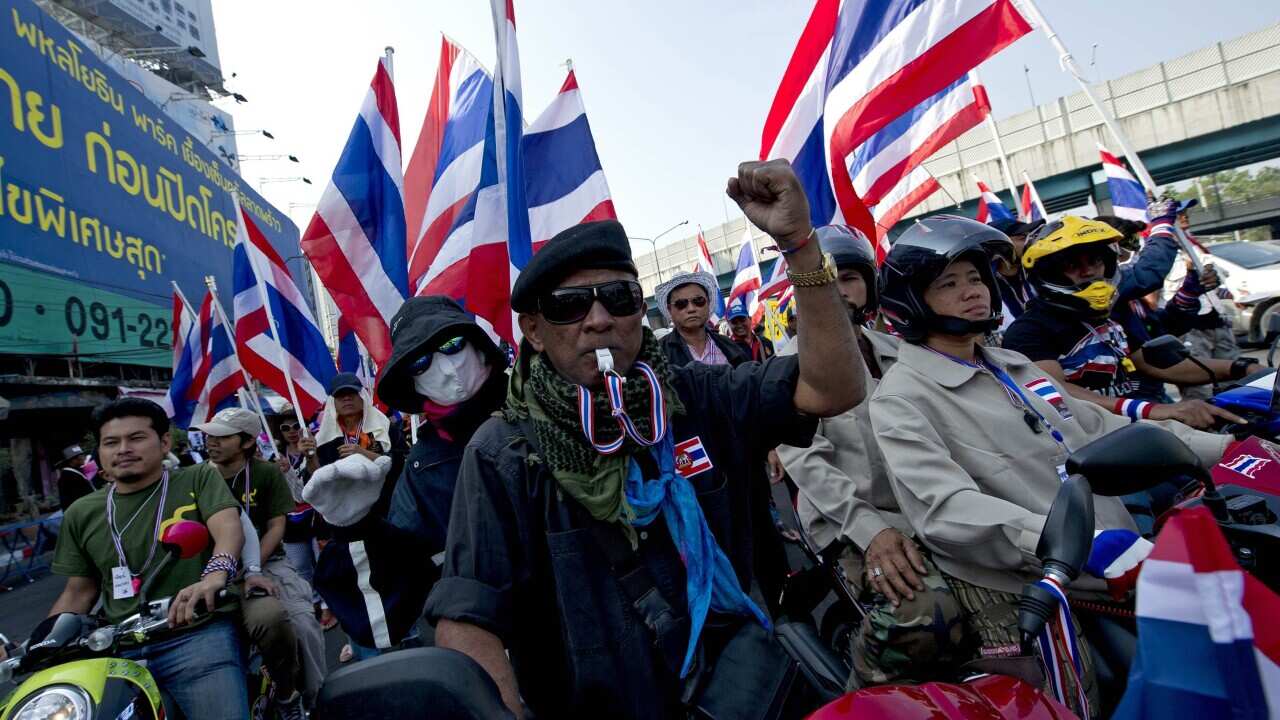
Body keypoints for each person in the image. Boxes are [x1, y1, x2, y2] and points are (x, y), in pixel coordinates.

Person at [427, 160, 864, 719]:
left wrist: (800, 245)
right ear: (533, 331)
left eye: (619, 297)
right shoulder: (504, 451)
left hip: (742, 694)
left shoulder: (698, 395)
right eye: (569, 305)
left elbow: (835, 386)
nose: (599, 319)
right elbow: (468, 617)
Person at [871, 215, 1233, 717]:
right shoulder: (901, 397)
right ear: (912, 302)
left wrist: (1226, 450)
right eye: (948, 284)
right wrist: (1063, 539)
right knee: (1069, 702)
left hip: (1117, 559)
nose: (971, 291)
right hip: (1026, 583)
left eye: (976, 278)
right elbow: (945, 508)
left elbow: (1105, 429)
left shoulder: (1013, 366)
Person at [775, 226, 964, 688]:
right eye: (826, 279)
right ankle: (861, 691)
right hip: (853, 527)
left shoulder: (901, 352)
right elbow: (808, 464)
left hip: (931, 512)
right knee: (924, 616)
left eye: (850, 279)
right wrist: (872, 531)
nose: (838, 291)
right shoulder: (788, 364)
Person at [306, 296, 510, 660]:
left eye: (451, 344)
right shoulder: (420, 467)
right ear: (411, 383)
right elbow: (391, 611)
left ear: (479, 345)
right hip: (500, 645)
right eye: (421, 361)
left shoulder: (549, 408)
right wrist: (354, 529)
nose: (446, 368)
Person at [48, 398, 248, 720]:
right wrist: (42, 640)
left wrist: (214, 576)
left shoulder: (197, 478)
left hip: (197, 633)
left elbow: (227, 528)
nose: (123, 449)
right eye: (111, 442)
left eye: (136, 438)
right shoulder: (81, 512)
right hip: (116, 651)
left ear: (164, 441)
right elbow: (79, 591)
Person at [1001, 215, 1248, 428]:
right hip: (1105, 446)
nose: (1089, 272)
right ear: (1049, 272)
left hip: (1155, 424)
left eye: (1096, 261)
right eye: (1072, 265)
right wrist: (1150, 410)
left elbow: (1156, 365)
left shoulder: (1112, 312)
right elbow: (1058, 393)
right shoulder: (1029, 331)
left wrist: (1241, 369)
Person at [195, 407, 324, 715]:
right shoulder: (197, 477)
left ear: (247, 441)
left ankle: (314, 699)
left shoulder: (266, 472)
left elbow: (276, 526)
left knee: (303, 624)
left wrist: (249, 566)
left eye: (221, 437)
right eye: (208, 435)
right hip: (209, 569)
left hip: (269, 563)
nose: (211, 441)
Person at [272, 407, 334, 631]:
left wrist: (301, 464)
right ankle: (314, 602)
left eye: (296, 426)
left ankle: (329, 604)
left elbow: (312, 486)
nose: (291, 431)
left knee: (323, 563)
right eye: (285, 428)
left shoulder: (315, 450)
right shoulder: (275, 458)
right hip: (292, 523)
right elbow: (285, 495)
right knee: (300, 568)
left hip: (317, 517)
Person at [656, 269, 748, 367]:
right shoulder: (658, 353)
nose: (691, 309)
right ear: (670, 309)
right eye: (681, 304)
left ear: (708, 303)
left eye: (698, 300)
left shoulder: (729, 345)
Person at [305, 372, 391, 475]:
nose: (346, 398)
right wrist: (310, 457)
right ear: (333, 403)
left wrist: (363, 453)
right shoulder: (324, 438)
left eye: (352, 392)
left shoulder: (383, 426)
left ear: (362, 397)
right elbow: (317, 478)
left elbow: (398, 464)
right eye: (340, 394)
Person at [987, 217, 1043, 337]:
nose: (1030, 243)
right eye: (1022, 238)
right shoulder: (984, 284)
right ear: (1000, 245)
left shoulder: (1042, 269)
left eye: (1030, 237)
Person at [55, 444, 96, 512]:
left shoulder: (73, 473)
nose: (84, 457)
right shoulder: (69, 477)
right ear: (73, 460)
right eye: (81, 455)